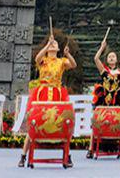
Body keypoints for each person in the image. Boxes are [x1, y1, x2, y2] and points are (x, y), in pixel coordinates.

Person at [19, 34, 77, 168]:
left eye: (55, 44)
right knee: (35, 122)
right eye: (51, 43)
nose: (53, 44)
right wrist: (46, 45)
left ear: (58, 49)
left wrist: (68, 55)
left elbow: (73, 65)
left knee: (62, 123)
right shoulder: (43, 60)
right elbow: (37, 58)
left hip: (57, 93)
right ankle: (23, 155)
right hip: (42, 93)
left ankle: (67, 156)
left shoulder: (61, 61)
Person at [87, 31, 120, 159]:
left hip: (115, 100)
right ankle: (90, 149)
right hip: (103, 100)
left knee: (118, 124)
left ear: (116, 59)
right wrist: (102, 48)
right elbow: (95, 59)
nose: (111, 58)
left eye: (113, 56)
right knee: (97, 123)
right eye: (109, 56)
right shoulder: (104, 71)